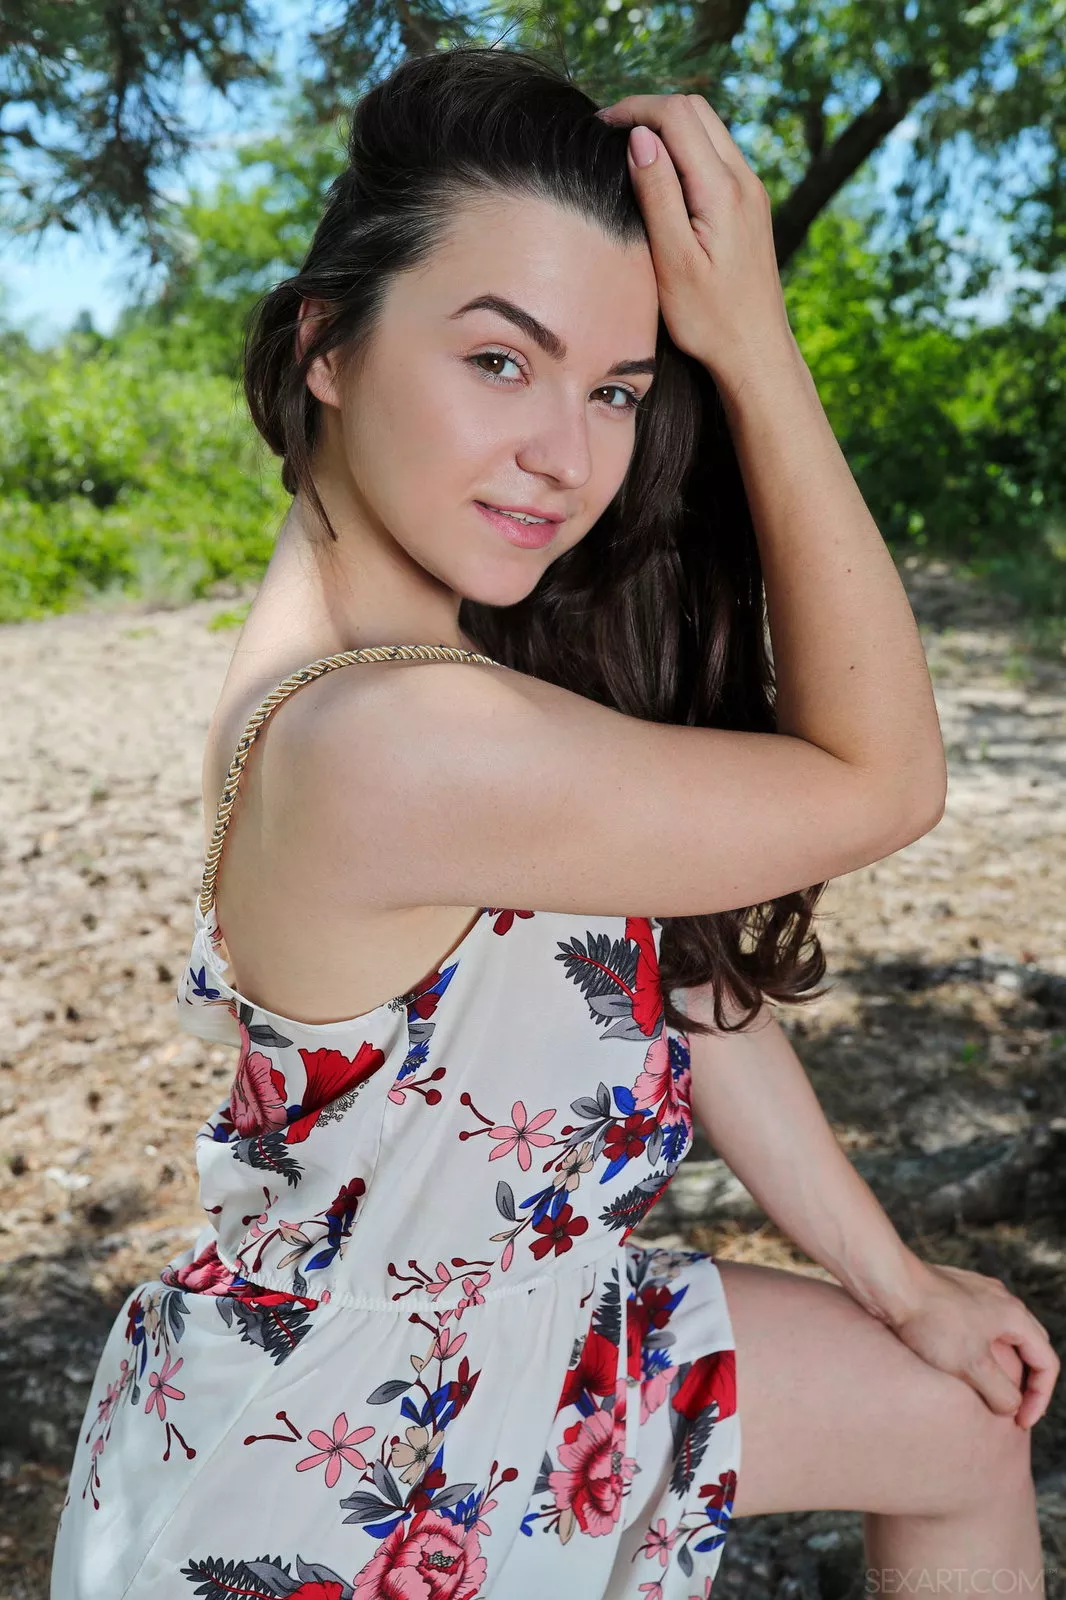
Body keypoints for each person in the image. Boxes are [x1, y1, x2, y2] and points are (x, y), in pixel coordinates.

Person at [50, 44, 1057, 1600]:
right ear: (327, 346)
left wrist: (895, 1281)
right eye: (497, 361)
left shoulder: (422, 688)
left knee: (957, 1425)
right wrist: (758, 349)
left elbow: (652, 977)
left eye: (615, 391)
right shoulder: (388, 742)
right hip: (348, 1470)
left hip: (508, 1331)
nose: (564, 457)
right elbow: (886, 783)